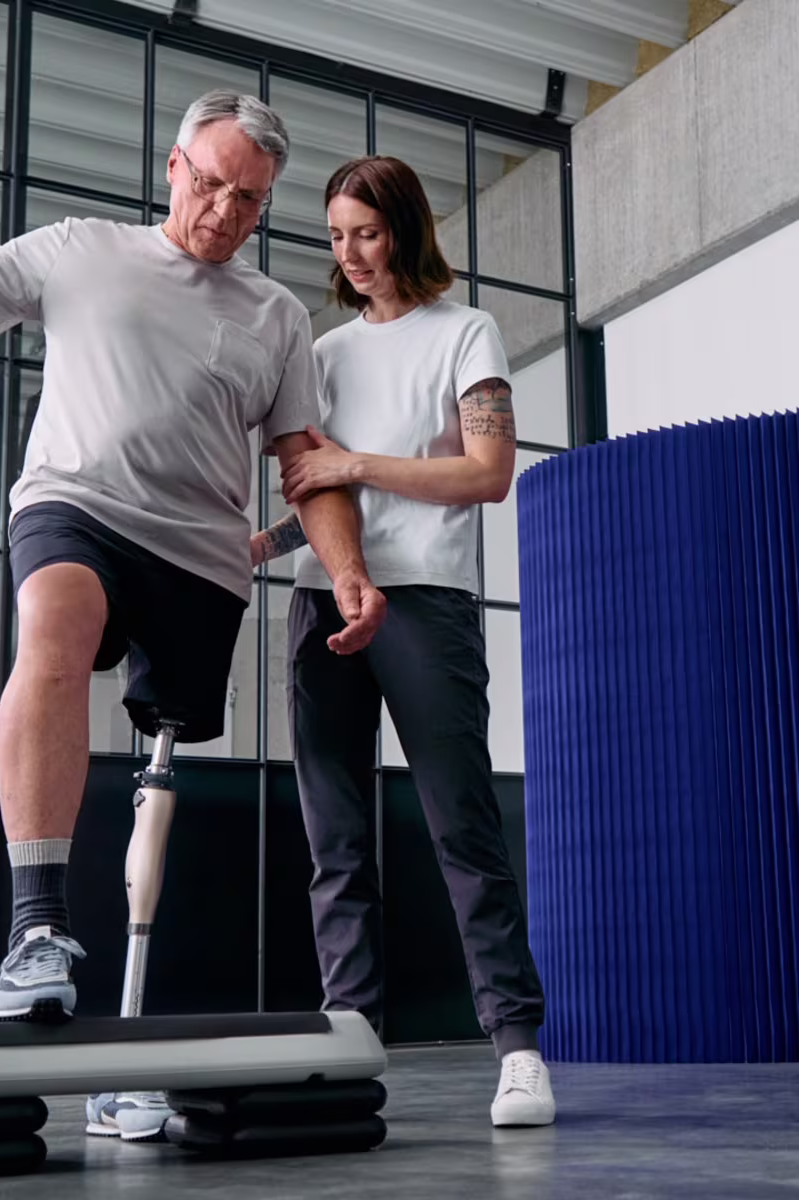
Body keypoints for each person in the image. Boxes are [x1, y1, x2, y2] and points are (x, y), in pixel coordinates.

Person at [0, 91, 385, 1140]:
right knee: (53, 627)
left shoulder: (277, 317)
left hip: (201, 563)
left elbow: (306, 466)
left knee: (161, 771)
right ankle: (37, 930)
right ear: (171, 165)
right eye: (208, 183)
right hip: (75, 507)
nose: (222, 210)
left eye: (248, 199)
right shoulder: (79, 250)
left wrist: (345, 572)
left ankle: (125, 1048)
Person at [251, 155, 555, 1128]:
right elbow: (325, 493)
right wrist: (268, 537)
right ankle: (349, 1043)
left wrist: (354, 461)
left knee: (461, 826)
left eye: (368, 234)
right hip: (320, 603)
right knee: (334, 841)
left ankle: (516, 1048)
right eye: (336, 236)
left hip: (428, 600)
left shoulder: (467, 333)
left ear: (407, 230)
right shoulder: (324, 354)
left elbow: (487, 472)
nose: (351, 254)